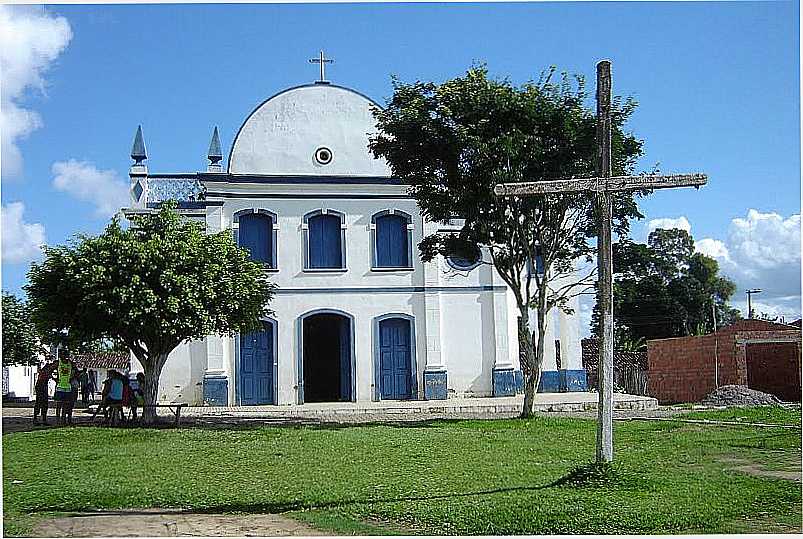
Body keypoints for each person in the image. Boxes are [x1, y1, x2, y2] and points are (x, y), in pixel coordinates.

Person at [32, 359, 58, 425]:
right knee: (40, 403)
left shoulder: (48, 367)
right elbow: (50, 377)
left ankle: (42, 419)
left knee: (43, 403)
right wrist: (56, 380)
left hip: (42, 385)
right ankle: (37, 419)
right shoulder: (48, 368)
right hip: (41, 386)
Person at [53, 353, 75, 425]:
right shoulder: (58, 363)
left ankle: (63, 420)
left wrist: (72, 378)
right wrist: (54, 378)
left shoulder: (70, 363)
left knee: (65, 406)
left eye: (65, 355)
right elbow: (49, 369)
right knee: (59, 405)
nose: (64, 357)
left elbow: (76, 371)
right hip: (60, 387)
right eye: (63, 355)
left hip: (68, 387)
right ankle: (58, 420)